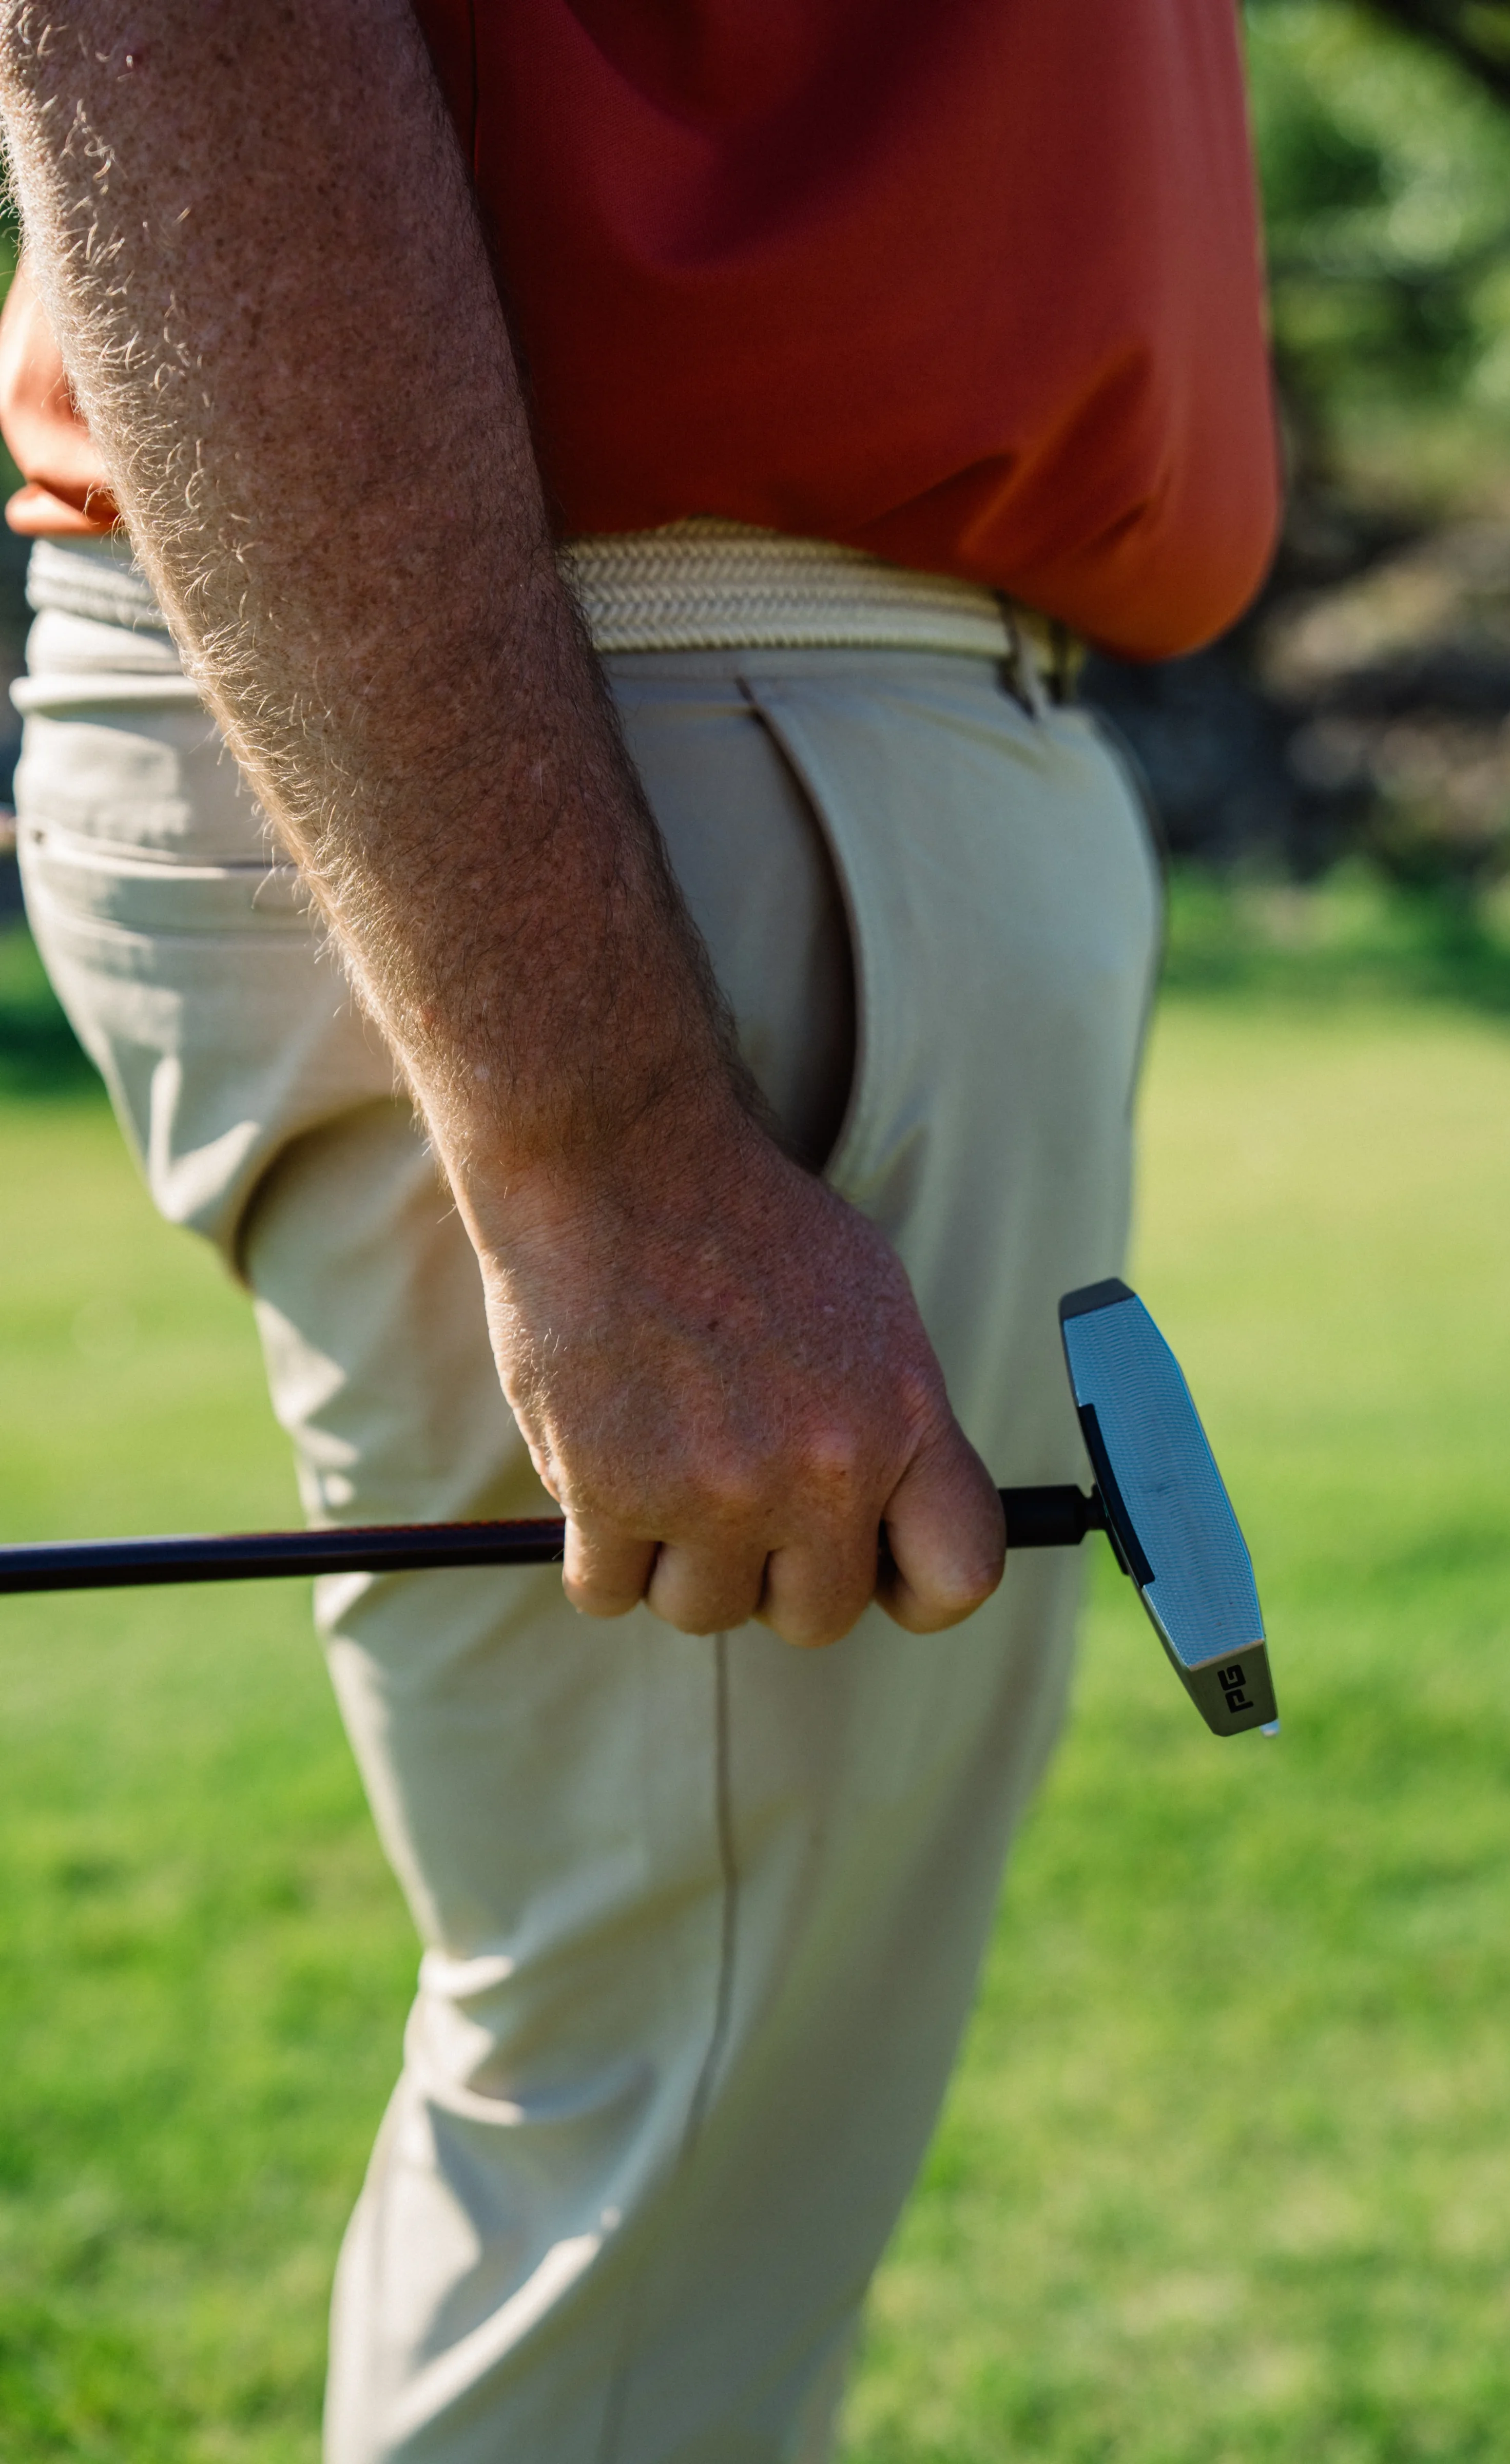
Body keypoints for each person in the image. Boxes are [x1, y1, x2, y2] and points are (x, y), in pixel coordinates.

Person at [0, 5, 1279, 2457]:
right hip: (635, 746)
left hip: (737, 731)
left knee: (695, 2158)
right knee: (647, 2215)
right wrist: (606, 1143)